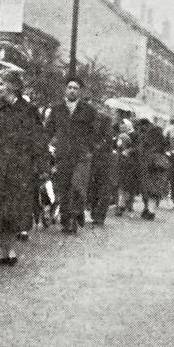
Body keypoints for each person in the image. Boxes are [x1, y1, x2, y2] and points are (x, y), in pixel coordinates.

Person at [0, 69, 47, 265]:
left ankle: (9, 250)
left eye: (1, 84)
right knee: (0, 209)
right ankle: (6, 251)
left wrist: (41, 167)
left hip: (20, 168)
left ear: (13, 87)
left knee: (14, 210)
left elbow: (38, 140)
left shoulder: (29, 110)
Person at [44, 77, 98, 234]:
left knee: (77, 186)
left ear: (80, 91)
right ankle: (67, 220)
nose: (72, 90)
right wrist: (45, 146)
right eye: (69, 87)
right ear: (65, 89)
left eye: (75, 88)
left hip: (82, 156)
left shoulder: (88, 111)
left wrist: (89, 148)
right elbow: (48, 131)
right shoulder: (57, 109)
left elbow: (94, 133)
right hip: (63, 155)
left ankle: (74, 216)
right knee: (64, 188)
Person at [86, 112, 117, 225]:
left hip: (104, 163)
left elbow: (107, 141)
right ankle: (95, 212)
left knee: (103, 190)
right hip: (94, 162)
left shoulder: (107, 131)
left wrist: (97, 147)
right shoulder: (92, 128)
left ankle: (100, 215)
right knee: (93, 189)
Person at [136, 118, 169, 220]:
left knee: (151, 188)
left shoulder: (152, 132)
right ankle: (148, 209)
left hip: (153, 163)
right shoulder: (149, 132)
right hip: (152, 163)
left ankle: (150, 211)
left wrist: (151, 153)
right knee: (149, 188)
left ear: (144, 125)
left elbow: (161, 145)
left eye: (140, 126)